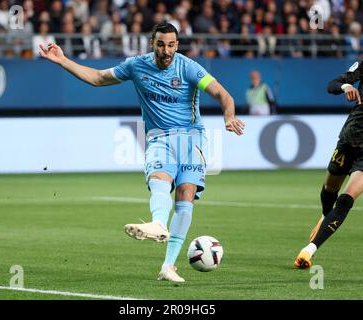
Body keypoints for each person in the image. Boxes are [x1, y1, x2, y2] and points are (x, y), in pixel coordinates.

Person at [38, 22, 244, 282]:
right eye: (161, 44)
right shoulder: (136, 66)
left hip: (192, 139)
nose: (166, 50)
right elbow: (98, 78)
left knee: (185, 196)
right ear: (152, 44)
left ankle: (168, 266)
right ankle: (158, 223)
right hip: (159, 138)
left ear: (177, 45)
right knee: (160, 178)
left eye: (171, 45)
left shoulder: (189, 67)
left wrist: (229, 117)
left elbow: (223, 95)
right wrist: (63, 60)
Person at [294, 60, 363, 269]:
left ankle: (309, 250)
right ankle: (325, 216)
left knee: (346, 199)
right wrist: (346, 86)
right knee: (329, 188)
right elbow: (332, 84)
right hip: (348, 140)